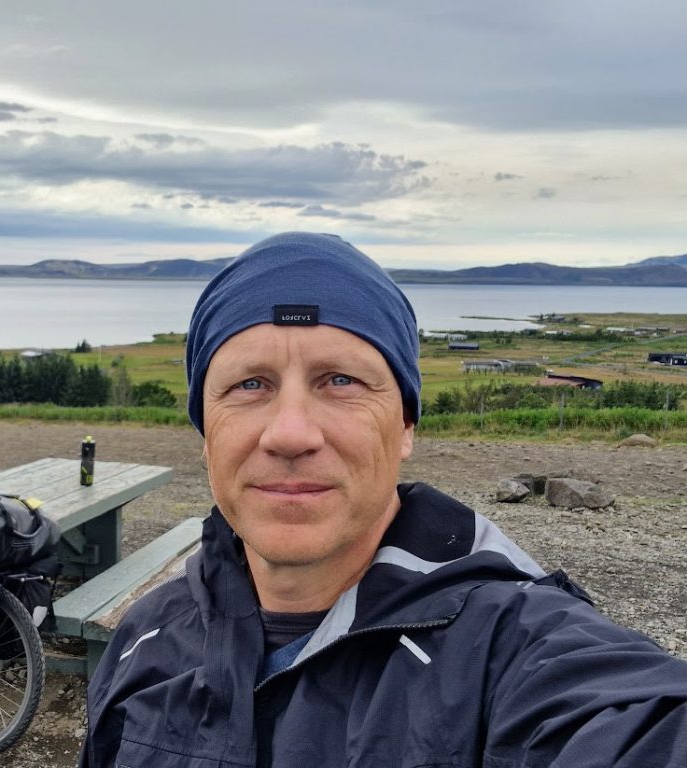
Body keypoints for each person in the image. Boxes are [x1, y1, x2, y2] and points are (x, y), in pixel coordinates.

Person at [79, 232, 687, 767]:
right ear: (206, 436)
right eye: (249, 384)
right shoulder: (148, 633)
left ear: (405, 428)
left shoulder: (513, 648)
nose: (291, 433)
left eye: (340, 380)